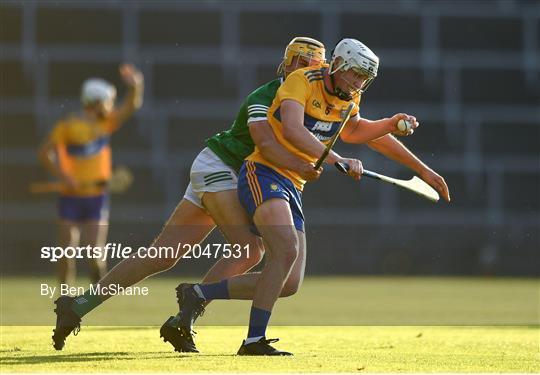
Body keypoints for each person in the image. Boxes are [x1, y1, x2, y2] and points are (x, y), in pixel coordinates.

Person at [175, 38, 450, 356]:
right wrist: (338, 161)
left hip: (294, 183)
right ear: (338, 65)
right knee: (285, 249)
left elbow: (355, 131)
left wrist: (418, 163)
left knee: (289, 282)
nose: (359, 83)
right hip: (264, 172)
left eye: (365, 78)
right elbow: (292, 129)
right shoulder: (302, 80)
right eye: (356, 74)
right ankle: (254, 341)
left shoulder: (350, 96)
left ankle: (198, 293)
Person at [51, 37, 326, 351]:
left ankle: (78, 305)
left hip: (228, 172)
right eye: (301, 63)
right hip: (222, 166)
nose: (306, 71)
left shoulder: (309, 102)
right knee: (251, 250)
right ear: (287, 62)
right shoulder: (268, 95)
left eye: (313, 67)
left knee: (162, 255)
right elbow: (266, 145)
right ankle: (185, 318)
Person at [38, 64, 144, 286]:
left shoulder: (105, 124)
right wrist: (63, 176)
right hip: (70, 196)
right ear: (96, 102)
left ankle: (96, 298)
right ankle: (64, 299)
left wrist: (136, 85)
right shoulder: (68, 125)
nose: (110, 105)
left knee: (95, 254)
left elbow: (132, 105)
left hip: (96, 196)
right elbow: (45, 153)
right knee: (66, 254)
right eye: (107, 101)